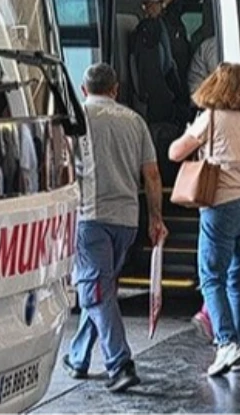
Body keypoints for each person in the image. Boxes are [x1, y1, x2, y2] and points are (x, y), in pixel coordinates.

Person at [169, 63, 240, 377]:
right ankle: (238, 347)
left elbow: (175, 152)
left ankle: (227, 343)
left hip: (223, 206)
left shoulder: (211, 118)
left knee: (211, 277)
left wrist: (192, 131)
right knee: (236, 278)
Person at [64, 63, 168, 392]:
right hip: (127, 220)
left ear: (84, 90)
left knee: (96, 292)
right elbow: (152, 175)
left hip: (91, 217)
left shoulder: (77, 118)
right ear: (116, 89)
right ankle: (78, 357)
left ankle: (120, 364)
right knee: (101, 290)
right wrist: (155, 218)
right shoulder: (135, 121)